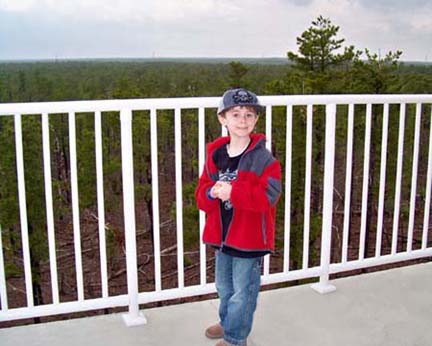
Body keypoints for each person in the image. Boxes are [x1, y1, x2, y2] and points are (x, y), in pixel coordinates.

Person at [195, 88, 282, 346]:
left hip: (249, 238)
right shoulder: (216, 156)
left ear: (256, 120)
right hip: (221, 237)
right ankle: (227, 322)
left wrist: (234, 191)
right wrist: (211, 193)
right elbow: (201, 195)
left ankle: (235, 338)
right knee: (224, 287)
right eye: (235, 114)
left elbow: (269, 196)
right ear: (223, 119)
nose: (242, 120)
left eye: (249, 115)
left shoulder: (265, 160)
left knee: (243, 293)